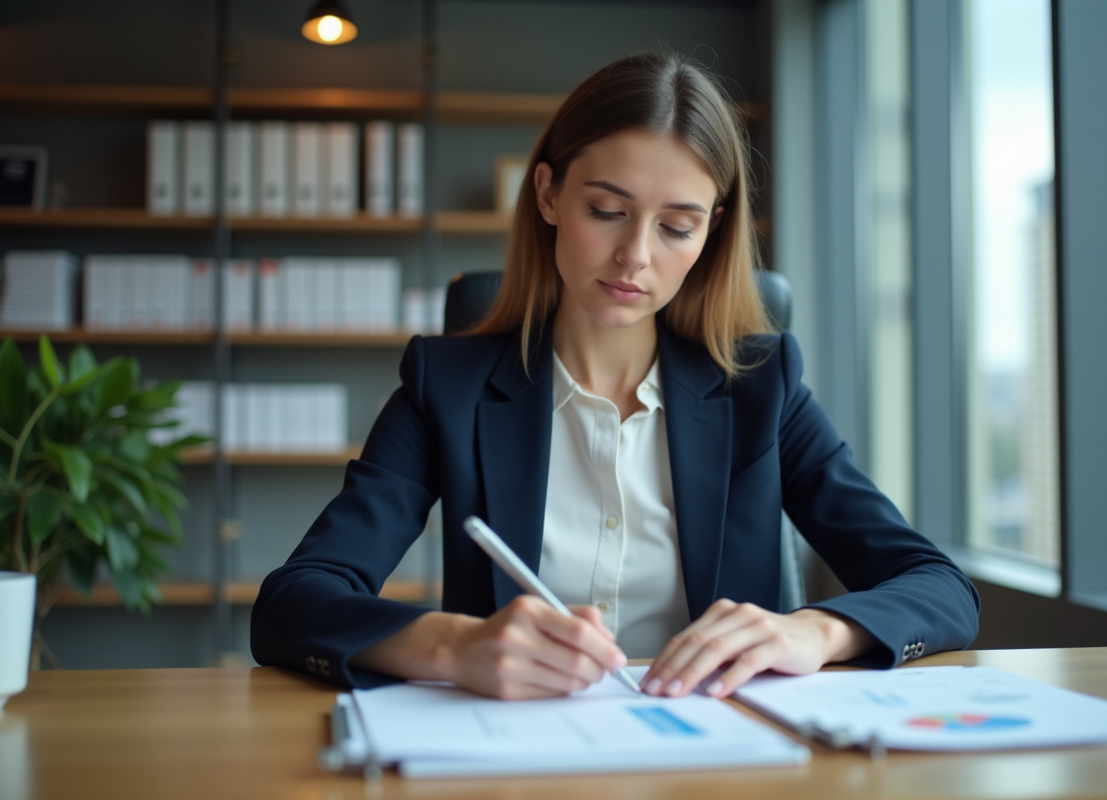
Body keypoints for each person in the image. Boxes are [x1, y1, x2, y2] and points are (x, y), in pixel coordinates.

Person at [250, 52, 979, 700]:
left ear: (712, 233)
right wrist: (452, 645)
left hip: (720, 763)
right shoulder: (449, 387)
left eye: (676, 226)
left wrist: (813, 634)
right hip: (514, 761)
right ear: (548, 196)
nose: (635, 256)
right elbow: (293, 603)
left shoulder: (763, 387)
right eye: (607, 210)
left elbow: (941, 589)